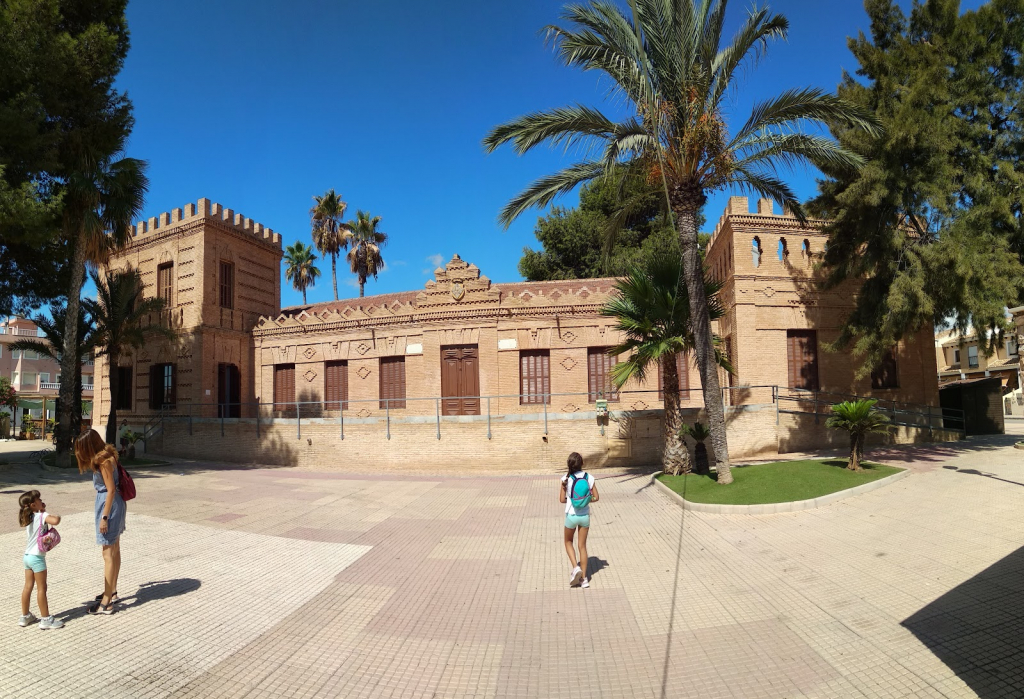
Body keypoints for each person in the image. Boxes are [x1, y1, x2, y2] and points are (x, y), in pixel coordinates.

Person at [75, 430, 125, 615]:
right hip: (115, 504)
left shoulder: (102, 461)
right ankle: (112, 590)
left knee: (107, 554)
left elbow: (110, 490)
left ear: (89, 446)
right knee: (114, 549)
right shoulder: (109, 454)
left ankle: (106, 602)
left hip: (109, 505)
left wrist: (104, 517)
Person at [18, 490, 63, 629]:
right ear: (33, 504)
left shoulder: (28, 517)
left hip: (27, 557)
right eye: (39, 499)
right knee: (42, 588)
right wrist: (45, 511)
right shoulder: (41, 515)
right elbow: (56, 520)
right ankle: (46, 619)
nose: (41, 500)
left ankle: (25, 616)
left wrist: (41, 509)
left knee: (28, 587)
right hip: (37, 558)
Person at [559, 452, 599, 589]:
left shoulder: (565, 478)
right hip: (585, 517)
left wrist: (572, 499)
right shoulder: (589, 477)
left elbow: (561, 500)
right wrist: (586, 500)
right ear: (582, 463)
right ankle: (584, 579)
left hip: (571, 515)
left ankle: (576, 568)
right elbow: (596, 497)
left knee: (568, 541)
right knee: (582, 546)